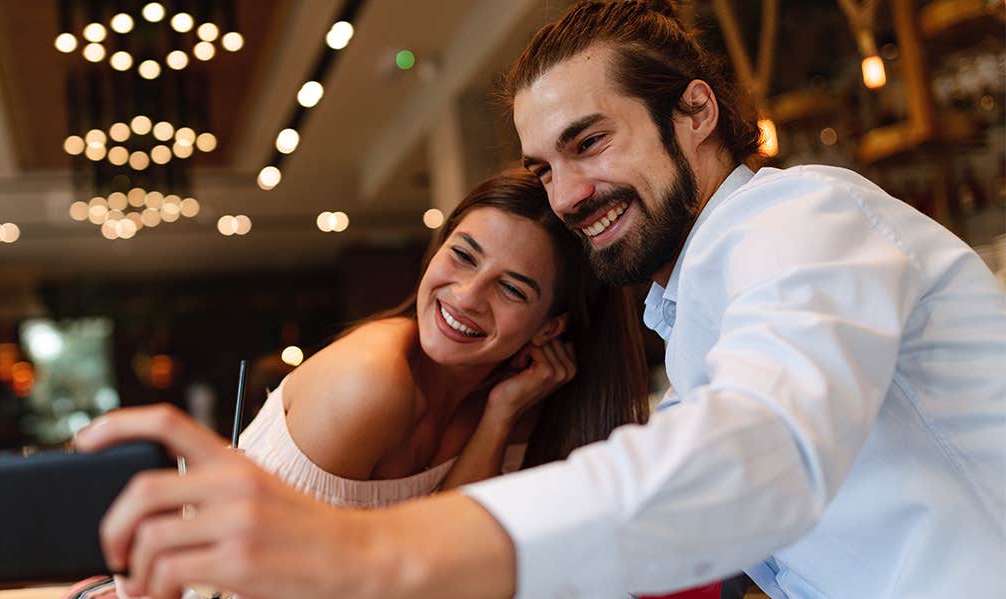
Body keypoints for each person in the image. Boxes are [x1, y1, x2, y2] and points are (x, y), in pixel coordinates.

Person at [74, 1, 1006, 597]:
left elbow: (762, 454)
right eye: (543, 164)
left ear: (695, 112)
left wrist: (361, 554)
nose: (565, 196)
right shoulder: (697, 308)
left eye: (589, 141)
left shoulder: (802, 218)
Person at [234, 168, 649, 508]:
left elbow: (446, 560)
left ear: (549, 327)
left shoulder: (523, 396)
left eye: (512, 289)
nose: (467, 296)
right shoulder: (368, 384)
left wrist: (499, 416)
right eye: (463, 256)